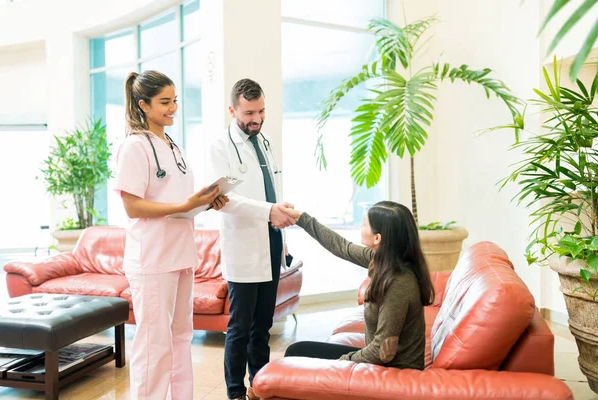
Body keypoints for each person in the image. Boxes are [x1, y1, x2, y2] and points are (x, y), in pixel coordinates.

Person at [114, 70, 229, 399]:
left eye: (175, 100)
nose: (173, 108)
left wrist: (204, 203)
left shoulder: (173, 146)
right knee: (154, 343)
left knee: (181, 336)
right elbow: (133, 206)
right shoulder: (134, 147)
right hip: (152, 258)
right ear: (143, 105)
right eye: (164, 102)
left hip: (181, 254)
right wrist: (186, 203)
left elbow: (178, 202)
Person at [207, 78, 295, 400]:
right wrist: (269, 210)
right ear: (233, 110)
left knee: (264, 324)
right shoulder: (220, 146)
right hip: (243, 243)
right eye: (248, 112)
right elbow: (224, 200)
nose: (255, 119)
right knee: (240, 327)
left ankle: (260, 384)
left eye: (260, 111)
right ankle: (234, 393)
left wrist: (280, 226)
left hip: (271, 240)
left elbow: (273, 188)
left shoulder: (266, 142)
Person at [280, 201, 434, 369]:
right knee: (298, 350)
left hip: (393, 371)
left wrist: (342, 362)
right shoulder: (385, 260)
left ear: (377, 238)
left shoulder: (398, 284)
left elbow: (382, 351)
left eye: (365, 224)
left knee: (297, 354)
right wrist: (302, 218)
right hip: (384, 362)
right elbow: (342, 247)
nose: (361, 226)